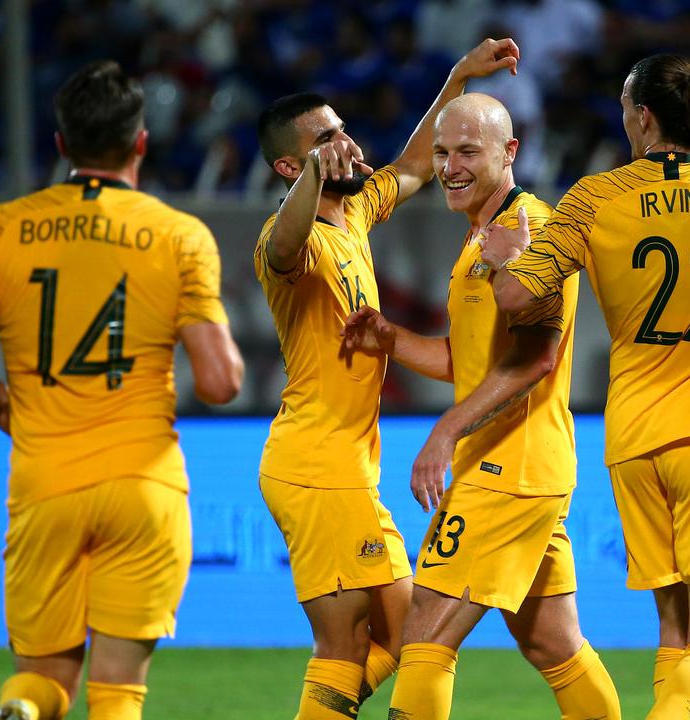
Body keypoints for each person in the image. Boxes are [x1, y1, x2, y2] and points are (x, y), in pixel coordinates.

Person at [483, 54, 690, 720]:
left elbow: (516, 297)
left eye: (626, 107)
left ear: (643, 115)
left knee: (676, 632)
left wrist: (500, 262)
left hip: (633, 441)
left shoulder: (594, 199)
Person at [0, 60, 243, 720]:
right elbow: (220, 383)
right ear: (141, 143)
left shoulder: (5, 226)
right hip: (142, 483)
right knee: (119, 691)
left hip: (45, 483)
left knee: (48, 682)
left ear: (62, 145)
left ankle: (22, 706)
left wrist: (2, 400)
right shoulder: (180, 236)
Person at [253, 38, 520, 719]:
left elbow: (410, 165)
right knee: (355, 646)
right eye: (323, 141)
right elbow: (284, 243)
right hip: (316, 465)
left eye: (341, 132)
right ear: (292, 164)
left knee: (402, 640)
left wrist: (458, 78)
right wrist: (310, 176)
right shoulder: (291, 240)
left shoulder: (356, 215)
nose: (343, 144)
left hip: (344, 465)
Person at [340, 93, 621, 720]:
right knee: (554, 644)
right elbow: (466, 362)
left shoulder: (536, 233)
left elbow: (536, 359)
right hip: (521, 469)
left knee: (424, 639)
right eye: (441, 152)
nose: (449, 166)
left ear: (510, 153)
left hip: (506, 469)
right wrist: (390, 337)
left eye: (468, 151)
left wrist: (445, 431)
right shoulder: (481, 240)